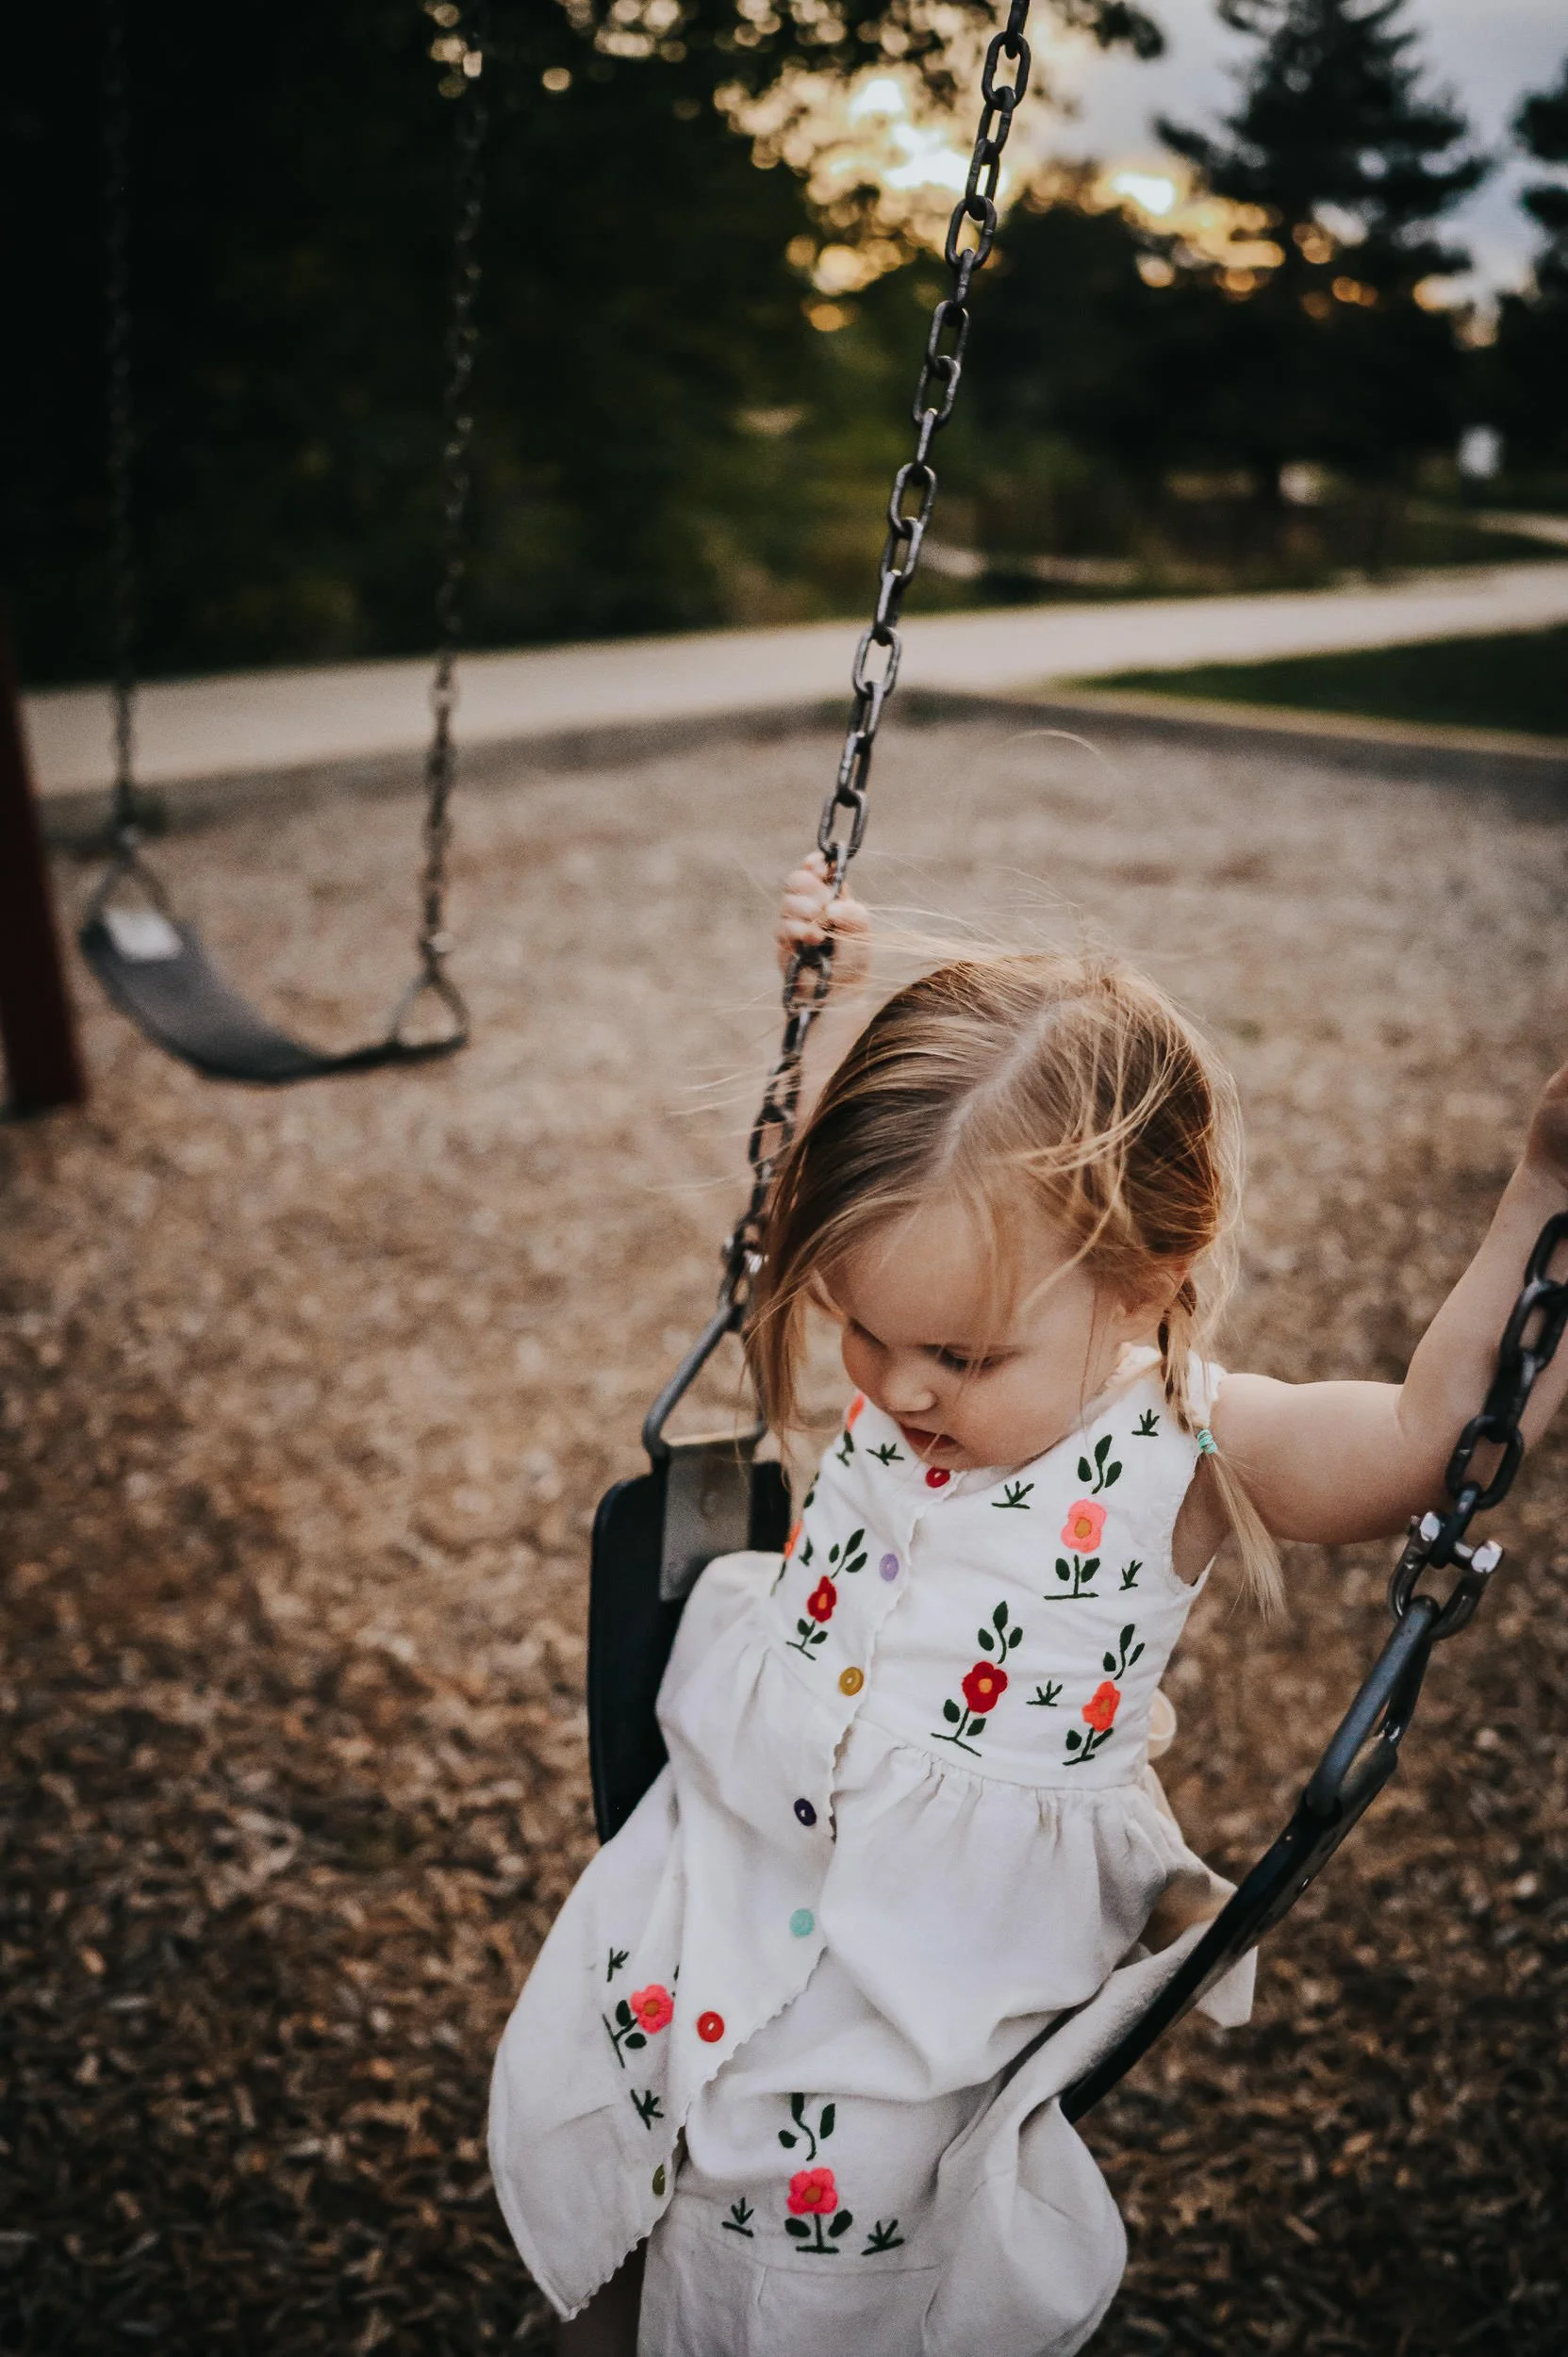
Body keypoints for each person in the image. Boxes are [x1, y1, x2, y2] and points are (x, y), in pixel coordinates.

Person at [489, 854, 1568, 2357]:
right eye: (863, 1328)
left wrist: (1545, 1192)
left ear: (1145, 1281)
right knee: (621, 2150)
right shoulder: (917, 1304)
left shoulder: (1186, 1444)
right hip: (713, 1868)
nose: (897, 1385)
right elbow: (814, 1184)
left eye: (960, 1355)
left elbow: (1415, 1452)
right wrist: (831, 1005)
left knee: (797, 2257)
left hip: (913, 1984)